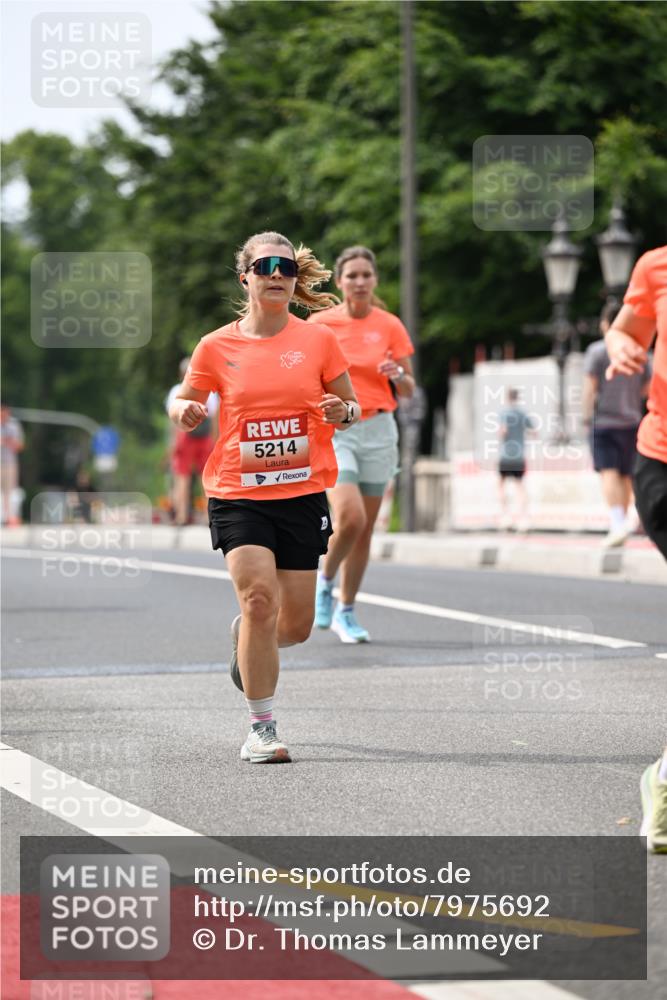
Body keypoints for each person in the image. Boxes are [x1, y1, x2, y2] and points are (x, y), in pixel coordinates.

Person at [168, 232, 359, 764]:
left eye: (287, 268)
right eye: (265, 266)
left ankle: (248, 639)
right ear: (245, 277)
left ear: (295, 280)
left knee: (292, 626)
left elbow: (352, 405)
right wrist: (182, 413)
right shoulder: (216, 345)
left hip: (301, 493)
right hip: (238, 492)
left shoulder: (318, 341)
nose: (277, 274)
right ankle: (262, 729)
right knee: (258, 599)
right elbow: (186, 399)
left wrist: (342, 413)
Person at [309, 246, 415, 643]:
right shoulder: (320, 325)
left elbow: (409, 387)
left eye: (365, 275)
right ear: (339, 282)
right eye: (351, 275)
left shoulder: (389, 325)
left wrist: (398, 373)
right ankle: (325, 580)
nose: (358, 282)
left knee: (365, 530)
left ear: (375, 280)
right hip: (338, 431)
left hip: (379, 429)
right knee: (349, 517)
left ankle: (346, 611)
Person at [604, 243, 667, 854]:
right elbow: (626, 331)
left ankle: (664, 775)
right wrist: (623, 345)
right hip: (662, 461)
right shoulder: (655, 267)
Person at [583, 300, 651, 547]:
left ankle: (617, 523)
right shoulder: (639, 352)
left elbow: (589, 388)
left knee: (608, 473)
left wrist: (584, 417)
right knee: (627, 474)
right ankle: (628, 520)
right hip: (632, 420)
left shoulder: (597, 351)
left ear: (604, 324)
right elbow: (647, 389)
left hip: (604, 422)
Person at [166, 357, 218, 526]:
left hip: (185, 437)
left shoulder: (176, 391)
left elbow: (173, 421)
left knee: (182, 477)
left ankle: (181, 515)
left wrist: (173, 445)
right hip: (205, 438)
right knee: (207, 478)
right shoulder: (209, 392)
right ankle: (208, 516)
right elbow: (214, 419)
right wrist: (215, 441)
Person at [497, 388, 535, 532]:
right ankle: (523, 518)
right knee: (520, 486)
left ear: (507, 398)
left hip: (506, 455)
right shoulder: (523, 414)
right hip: (519, 455)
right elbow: (534, 431)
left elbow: (503, 431)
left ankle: (505, 516)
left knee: (501, 485)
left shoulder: (504, 413)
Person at [0, 405, 24, 526]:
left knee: (9, 491)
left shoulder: (14, 426)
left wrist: (10, 442)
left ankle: (9, 517)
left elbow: (20, 446)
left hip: (9, 462)